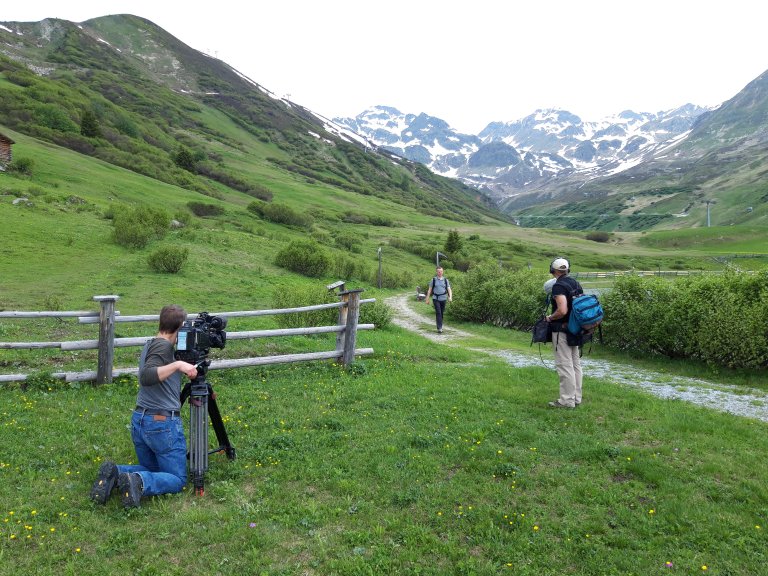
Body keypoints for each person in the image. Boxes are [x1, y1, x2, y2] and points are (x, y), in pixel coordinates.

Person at [90, 304, 199, 508]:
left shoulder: (151, 343)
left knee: (151, 467)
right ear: (181, 326)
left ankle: (116, 473)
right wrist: (178, 365)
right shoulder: (163, 347)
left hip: (141, 420)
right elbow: (147, 376)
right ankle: (139, 482)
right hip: (161, 423)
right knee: (177, 479)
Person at [544, 258, 583, 409]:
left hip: (562, 330)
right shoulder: (575, 283)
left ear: (552, 270)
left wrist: (550, 318)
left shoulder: (558, 286)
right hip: (576, 328)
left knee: (564, 365)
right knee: (575, 364)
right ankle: (576, 398)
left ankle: (566, 401)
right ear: (568, 270)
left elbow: (562, 310)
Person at [425, 266, 452, 333]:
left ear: (443, 272)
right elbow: (429, 290)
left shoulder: (446, 280)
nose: (440, 273)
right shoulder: (433, 280)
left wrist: (450, 297)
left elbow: (449, 289)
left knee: (441, 313)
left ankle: (440, 325)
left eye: (441, 271)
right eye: (438, 271)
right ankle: (439, 328)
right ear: (436, 272)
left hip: (443, 298)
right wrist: (427, 299)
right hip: (436, 298)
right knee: (438, 312)